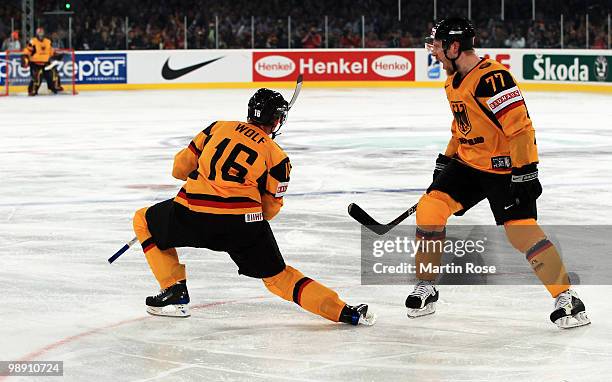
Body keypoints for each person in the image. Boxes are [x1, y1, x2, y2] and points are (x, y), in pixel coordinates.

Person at [132, 88, 376, 326]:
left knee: (144, 219)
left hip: (192, 213)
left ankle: (173, 290)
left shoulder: (217, 128)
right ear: (278, 119)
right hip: (242, 226)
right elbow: (268, 211)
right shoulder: (277, 157)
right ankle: (344, 312)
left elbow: (178, 170)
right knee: (278, 278)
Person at [405, 17, 590, 329]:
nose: (432, 52)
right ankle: (427, 286)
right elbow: (462, 127)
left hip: (505, 169)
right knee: (430, 208)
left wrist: (526, 170)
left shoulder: (492, 79)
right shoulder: (452, 81)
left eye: (436, 46)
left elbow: (520, 127)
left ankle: (567, 297)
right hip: (468, 164)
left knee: (521, 232)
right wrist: (446, 159)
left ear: (453, 47)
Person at [22, 27, 63, 96]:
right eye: (39, 33)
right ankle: (32, 90)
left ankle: (55, 87)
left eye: (42, 33)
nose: (40, 34)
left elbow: (51, 51)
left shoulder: (47, 41)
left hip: (46, 63)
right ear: (36, 34)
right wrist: (25, 59)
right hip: (35, 64)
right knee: (37, 77)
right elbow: (27, 51)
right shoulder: (33, 41)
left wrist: (57, 55)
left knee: (54, 73)